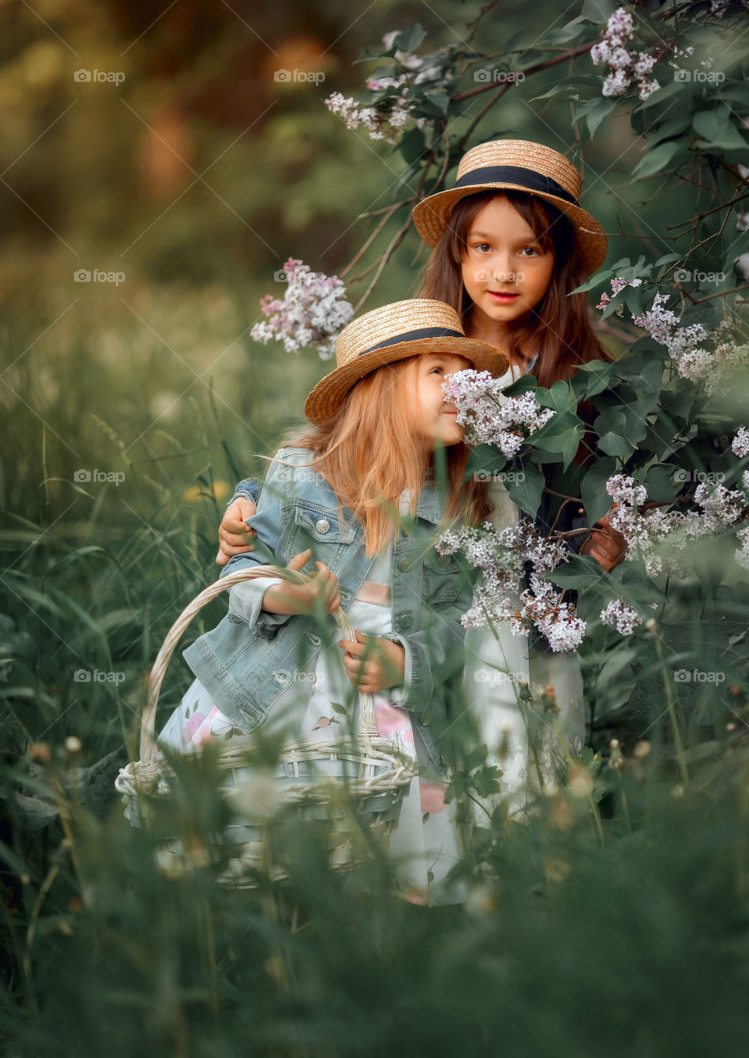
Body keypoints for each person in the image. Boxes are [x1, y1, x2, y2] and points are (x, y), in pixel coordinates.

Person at [217, 140, 627, 810]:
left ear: (558, 262)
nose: (503, 270)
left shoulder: (580, 382)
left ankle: (524, 878)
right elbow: (344, 455)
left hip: (527, 598)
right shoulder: (428, 348)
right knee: (427, 756)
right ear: (457, 254)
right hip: (430, 583)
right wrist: (248, 500)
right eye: (482, 248)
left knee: (530, 761)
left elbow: (627, 482)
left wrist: (609, 535)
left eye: (529, 250)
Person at [151, 299, 509, 904]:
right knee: (254, 838)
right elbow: (241, 565)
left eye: (467, 373)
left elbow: (460, 622)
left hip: (382, 707)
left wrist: (405, 659)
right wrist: (283, 595)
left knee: (381, 851)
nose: (462, 387)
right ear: (382, 392)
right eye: (438, 373)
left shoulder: (457, 505)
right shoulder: (304, 475)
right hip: (276, 685)